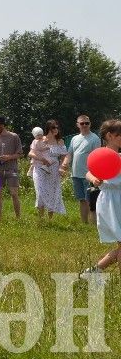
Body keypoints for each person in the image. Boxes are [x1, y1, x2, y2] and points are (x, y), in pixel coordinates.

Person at [80, 119, 121, 285]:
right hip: (111, 201)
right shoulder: (101, 155)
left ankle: (93, 272)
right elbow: (88, 173)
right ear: (109, 136)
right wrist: (94, 179)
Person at [30, 119, 68, 219]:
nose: (56, 129)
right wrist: (41, 158)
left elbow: (64, 156)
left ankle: (50, 219)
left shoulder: (60, 141)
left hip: (54, 169)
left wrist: (62, 167)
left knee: (53, 192)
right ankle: (41, 218)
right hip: (39, 168)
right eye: (53, 127)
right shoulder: (40, 139)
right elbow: (31, 153)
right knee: (40, 191)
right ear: (48, 128)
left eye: (57, 127)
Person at [70, 114, 102, 225]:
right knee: (81, 199)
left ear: (90, 124)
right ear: (77, 125)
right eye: (82, 123)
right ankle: (84, 223)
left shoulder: (95, 138)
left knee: (90, 200)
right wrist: (64, 165)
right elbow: (70, 154)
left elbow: (97, 157)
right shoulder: (74, 139)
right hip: (75, 174)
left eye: (86, 123)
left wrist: (96, 174)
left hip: (89, 174)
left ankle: (93, 224)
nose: (84, 125)